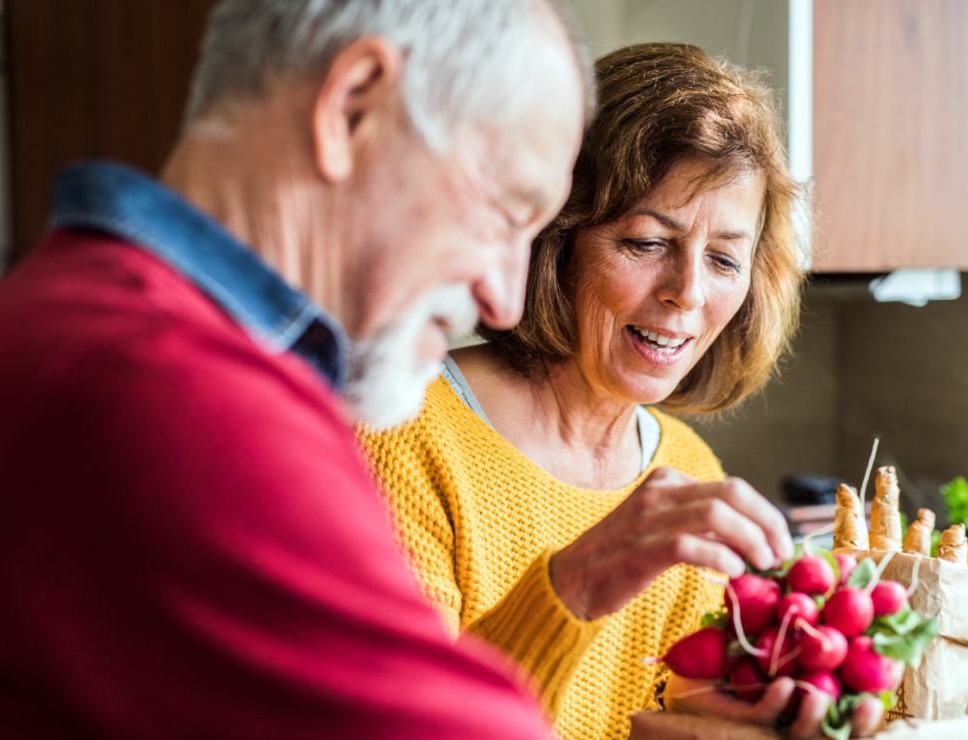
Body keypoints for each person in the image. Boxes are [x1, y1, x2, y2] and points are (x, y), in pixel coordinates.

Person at [0, 1, 592, 737]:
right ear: (352, 109)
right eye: (507, 213)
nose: (505, 299)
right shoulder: (176, 396)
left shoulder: (61, 321)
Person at [361, 43, 884, 740]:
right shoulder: (400, 432)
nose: (687, 293)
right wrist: (571, 587)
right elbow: (399, 725)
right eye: (645, 242)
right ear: (557, 238)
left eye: (725, 259)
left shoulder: (691, 473)